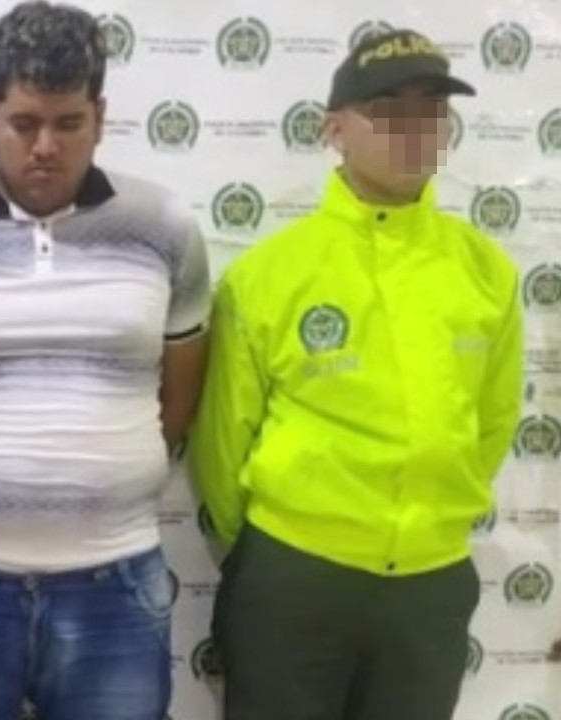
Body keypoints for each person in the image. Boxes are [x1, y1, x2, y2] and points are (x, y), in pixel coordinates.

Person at [0, 3, 210, 719]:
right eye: (24, 123)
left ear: (101, 116)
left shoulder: (166, 228)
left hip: (115, 584)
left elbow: (178, 398)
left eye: (69, 123)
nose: (46, 147)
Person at [189, 29, 524, 720]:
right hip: (295, 576)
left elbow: (491, 423)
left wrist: (431, 516)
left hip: (430, 584)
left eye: (431, 110)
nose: (413, 129)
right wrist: (285, 545)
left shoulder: (486, 272)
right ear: (334, 130)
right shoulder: (268, 275)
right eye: (387, 110)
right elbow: (223, 447)